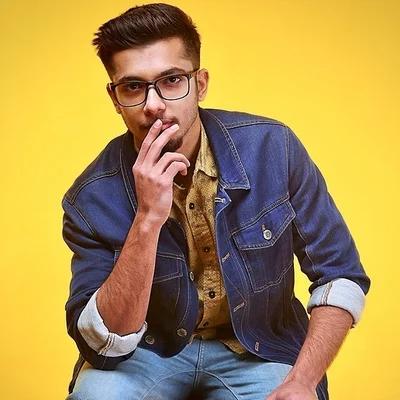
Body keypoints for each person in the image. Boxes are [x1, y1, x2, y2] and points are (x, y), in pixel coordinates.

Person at [62, 3, 370, 400]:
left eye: (172, 80)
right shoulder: (89, 198)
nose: (153, 104)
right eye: (133, 87)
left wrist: (303, 380)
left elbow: (340, 276)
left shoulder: (273, 148)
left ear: (201, 83)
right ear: (115, 98)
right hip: (146, 354)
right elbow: (106, 343)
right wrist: (147, 218)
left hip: (260, 350)